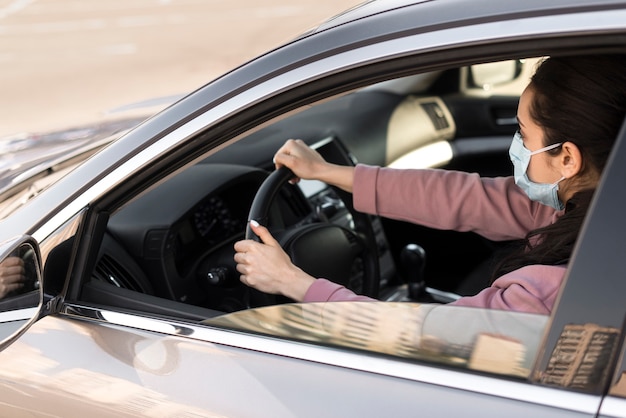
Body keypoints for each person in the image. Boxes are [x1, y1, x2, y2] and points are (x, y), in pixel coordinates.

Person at [234, 54, 626, 315]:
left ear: (568, 158)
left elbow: (417, 337)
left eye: (523, 133)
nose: (517, 147)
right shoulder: (594, 212)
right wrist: (328, 172)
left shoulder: (545, 291)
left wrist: (292, 281)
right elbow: (466, 198)